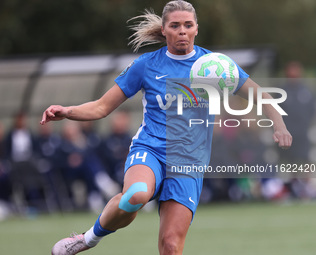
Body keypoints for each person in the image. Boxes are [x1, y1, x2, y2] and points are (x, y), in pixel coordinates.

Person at [40, 1, 292, 254]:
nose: (182, 30)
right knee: (136, 195)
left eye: (188, 25)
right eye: (175, 25)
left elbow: (261, 95)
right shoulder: (146, 65)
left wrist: (279, 125)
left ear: (196, 29)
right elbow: (101, 107)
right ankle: (87, 240)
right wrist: (67, 111)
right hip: (151, 148)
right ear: (164, 30)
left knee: (171, 246)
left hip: (189, 163)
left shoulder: (216, 66)